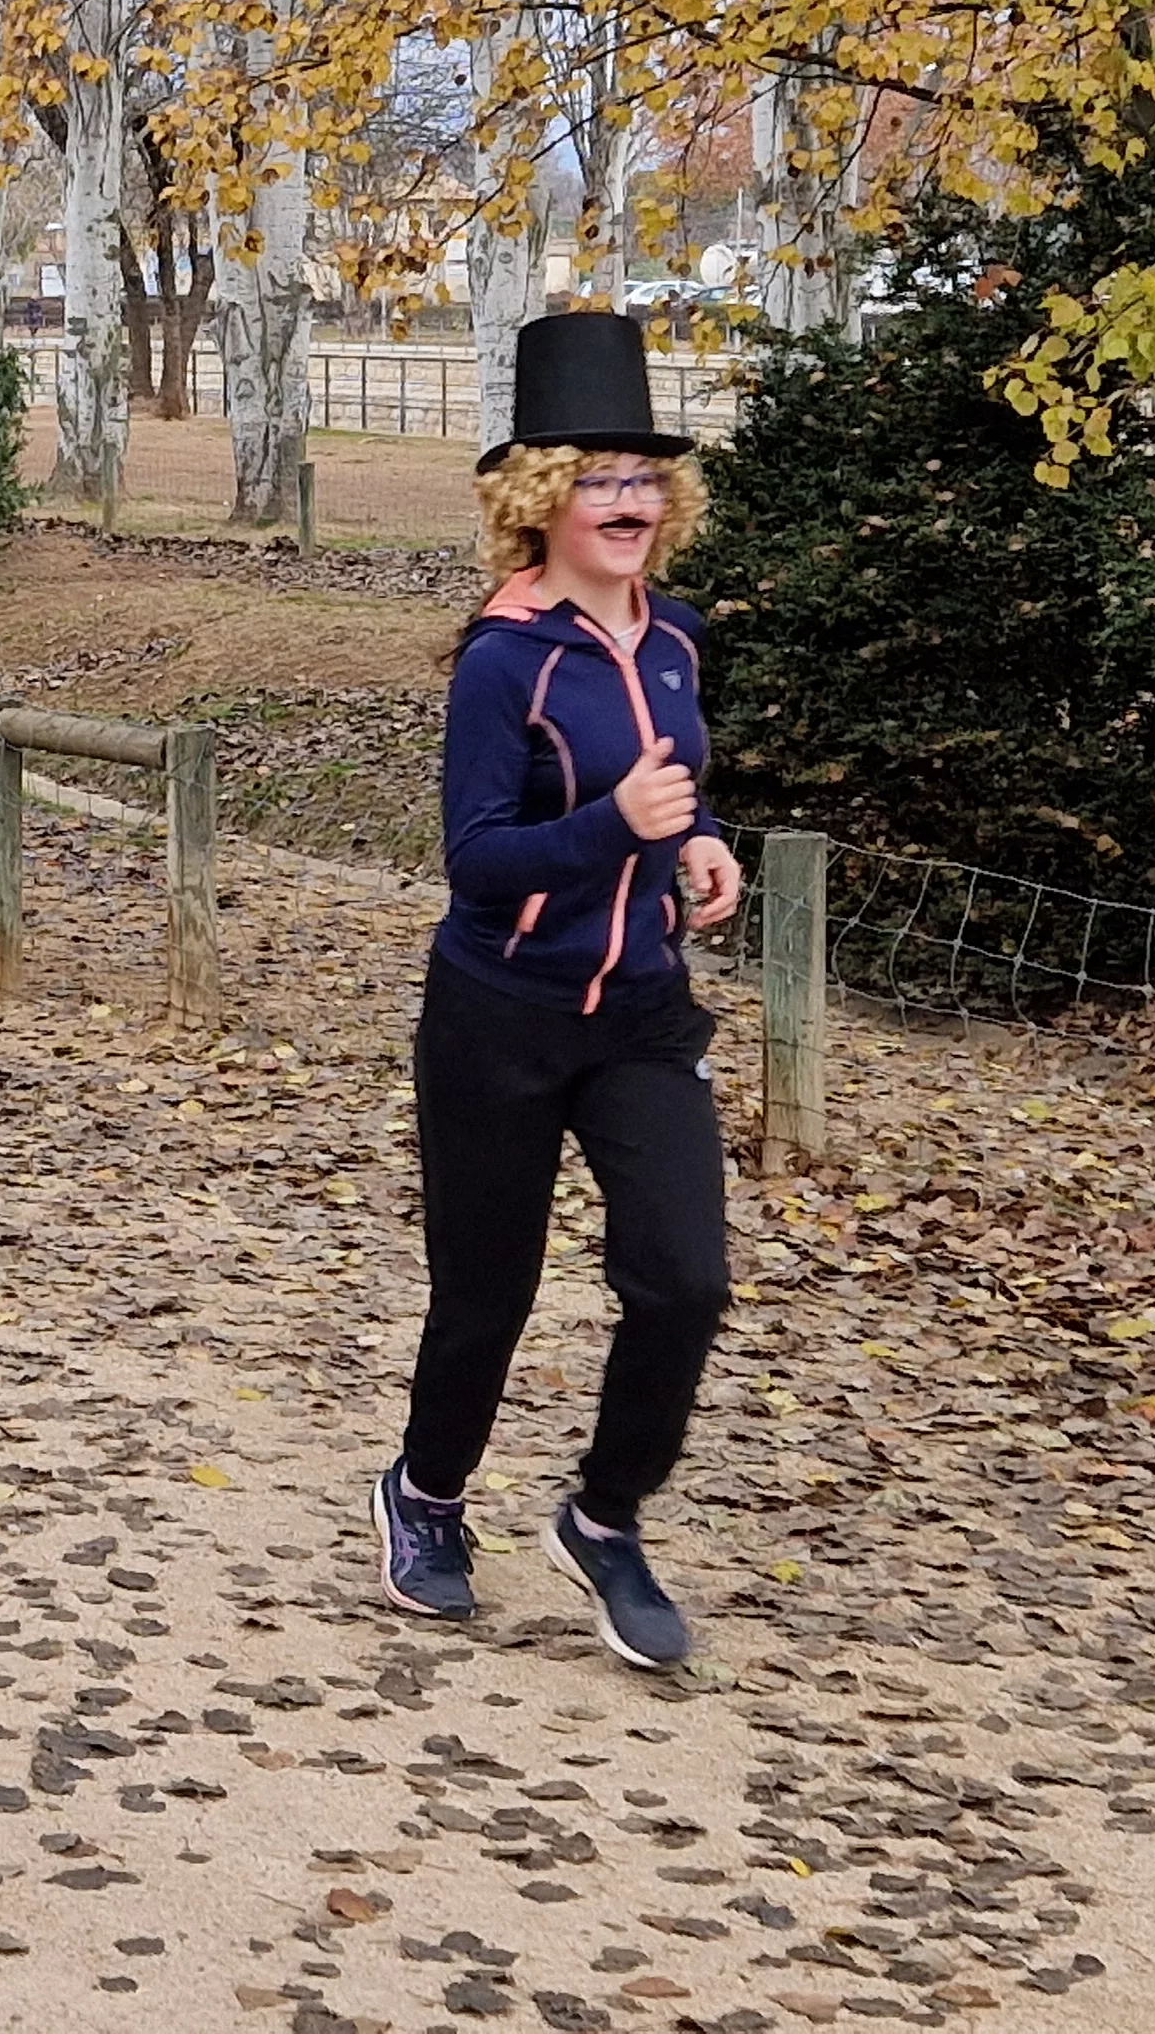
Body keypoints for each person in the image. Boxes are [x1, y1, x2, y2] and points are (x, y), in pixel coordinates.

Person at [371, 309, 742, 1672]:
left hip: (641, 1009)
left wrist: (696, 844)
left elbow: (667, 792)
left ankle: (604, 1518)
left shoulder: (674, 640)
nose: (629, 501)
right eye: (598, 478)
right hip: (501, 1014)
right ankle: (426, 1496)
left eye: (645, 479)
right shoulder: (502, 660)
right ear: (542, 499)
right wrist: (619, 829)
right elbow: (477, 864)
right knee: (489, 1291)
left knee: (685, 1280)